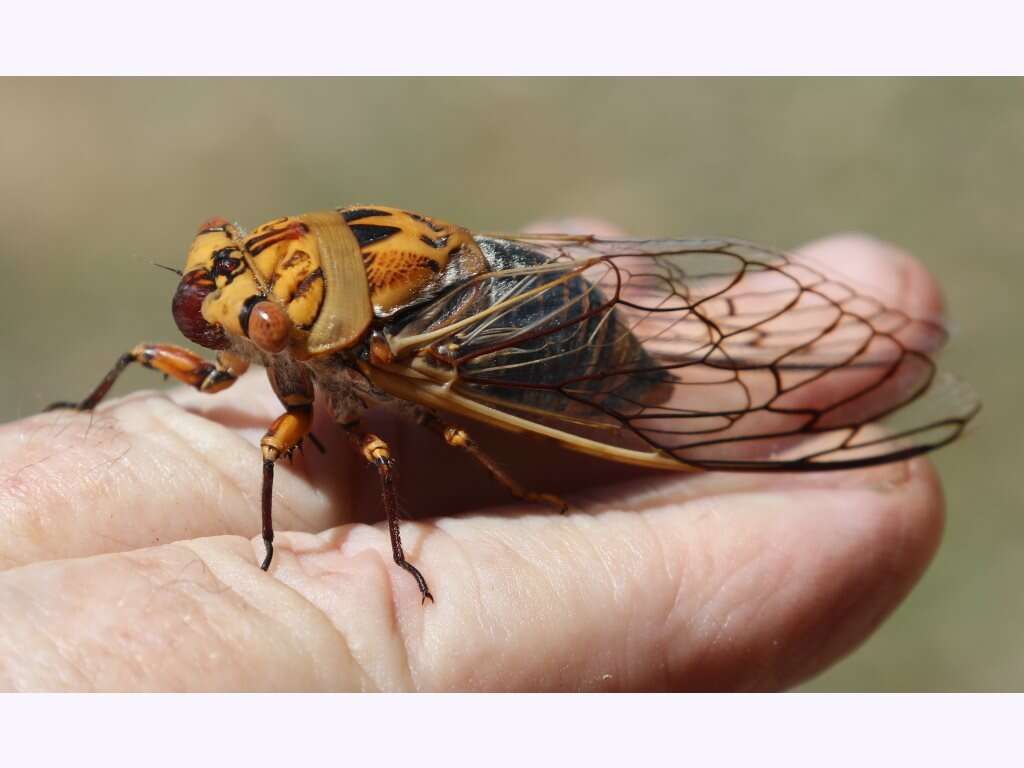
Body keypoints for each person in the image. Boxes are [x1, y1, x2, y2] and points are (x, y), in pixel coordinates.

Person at [0, 231, 947, 691]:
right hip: (481, 275)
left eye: (250, 312)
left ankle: (540, 462)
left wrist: (318, 550)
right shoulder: (284, 314)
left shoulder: (360, 350)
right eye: (217, 273)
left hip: (517, 341)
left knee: (427, 435)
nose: (211, 308)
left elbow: (386, 450)